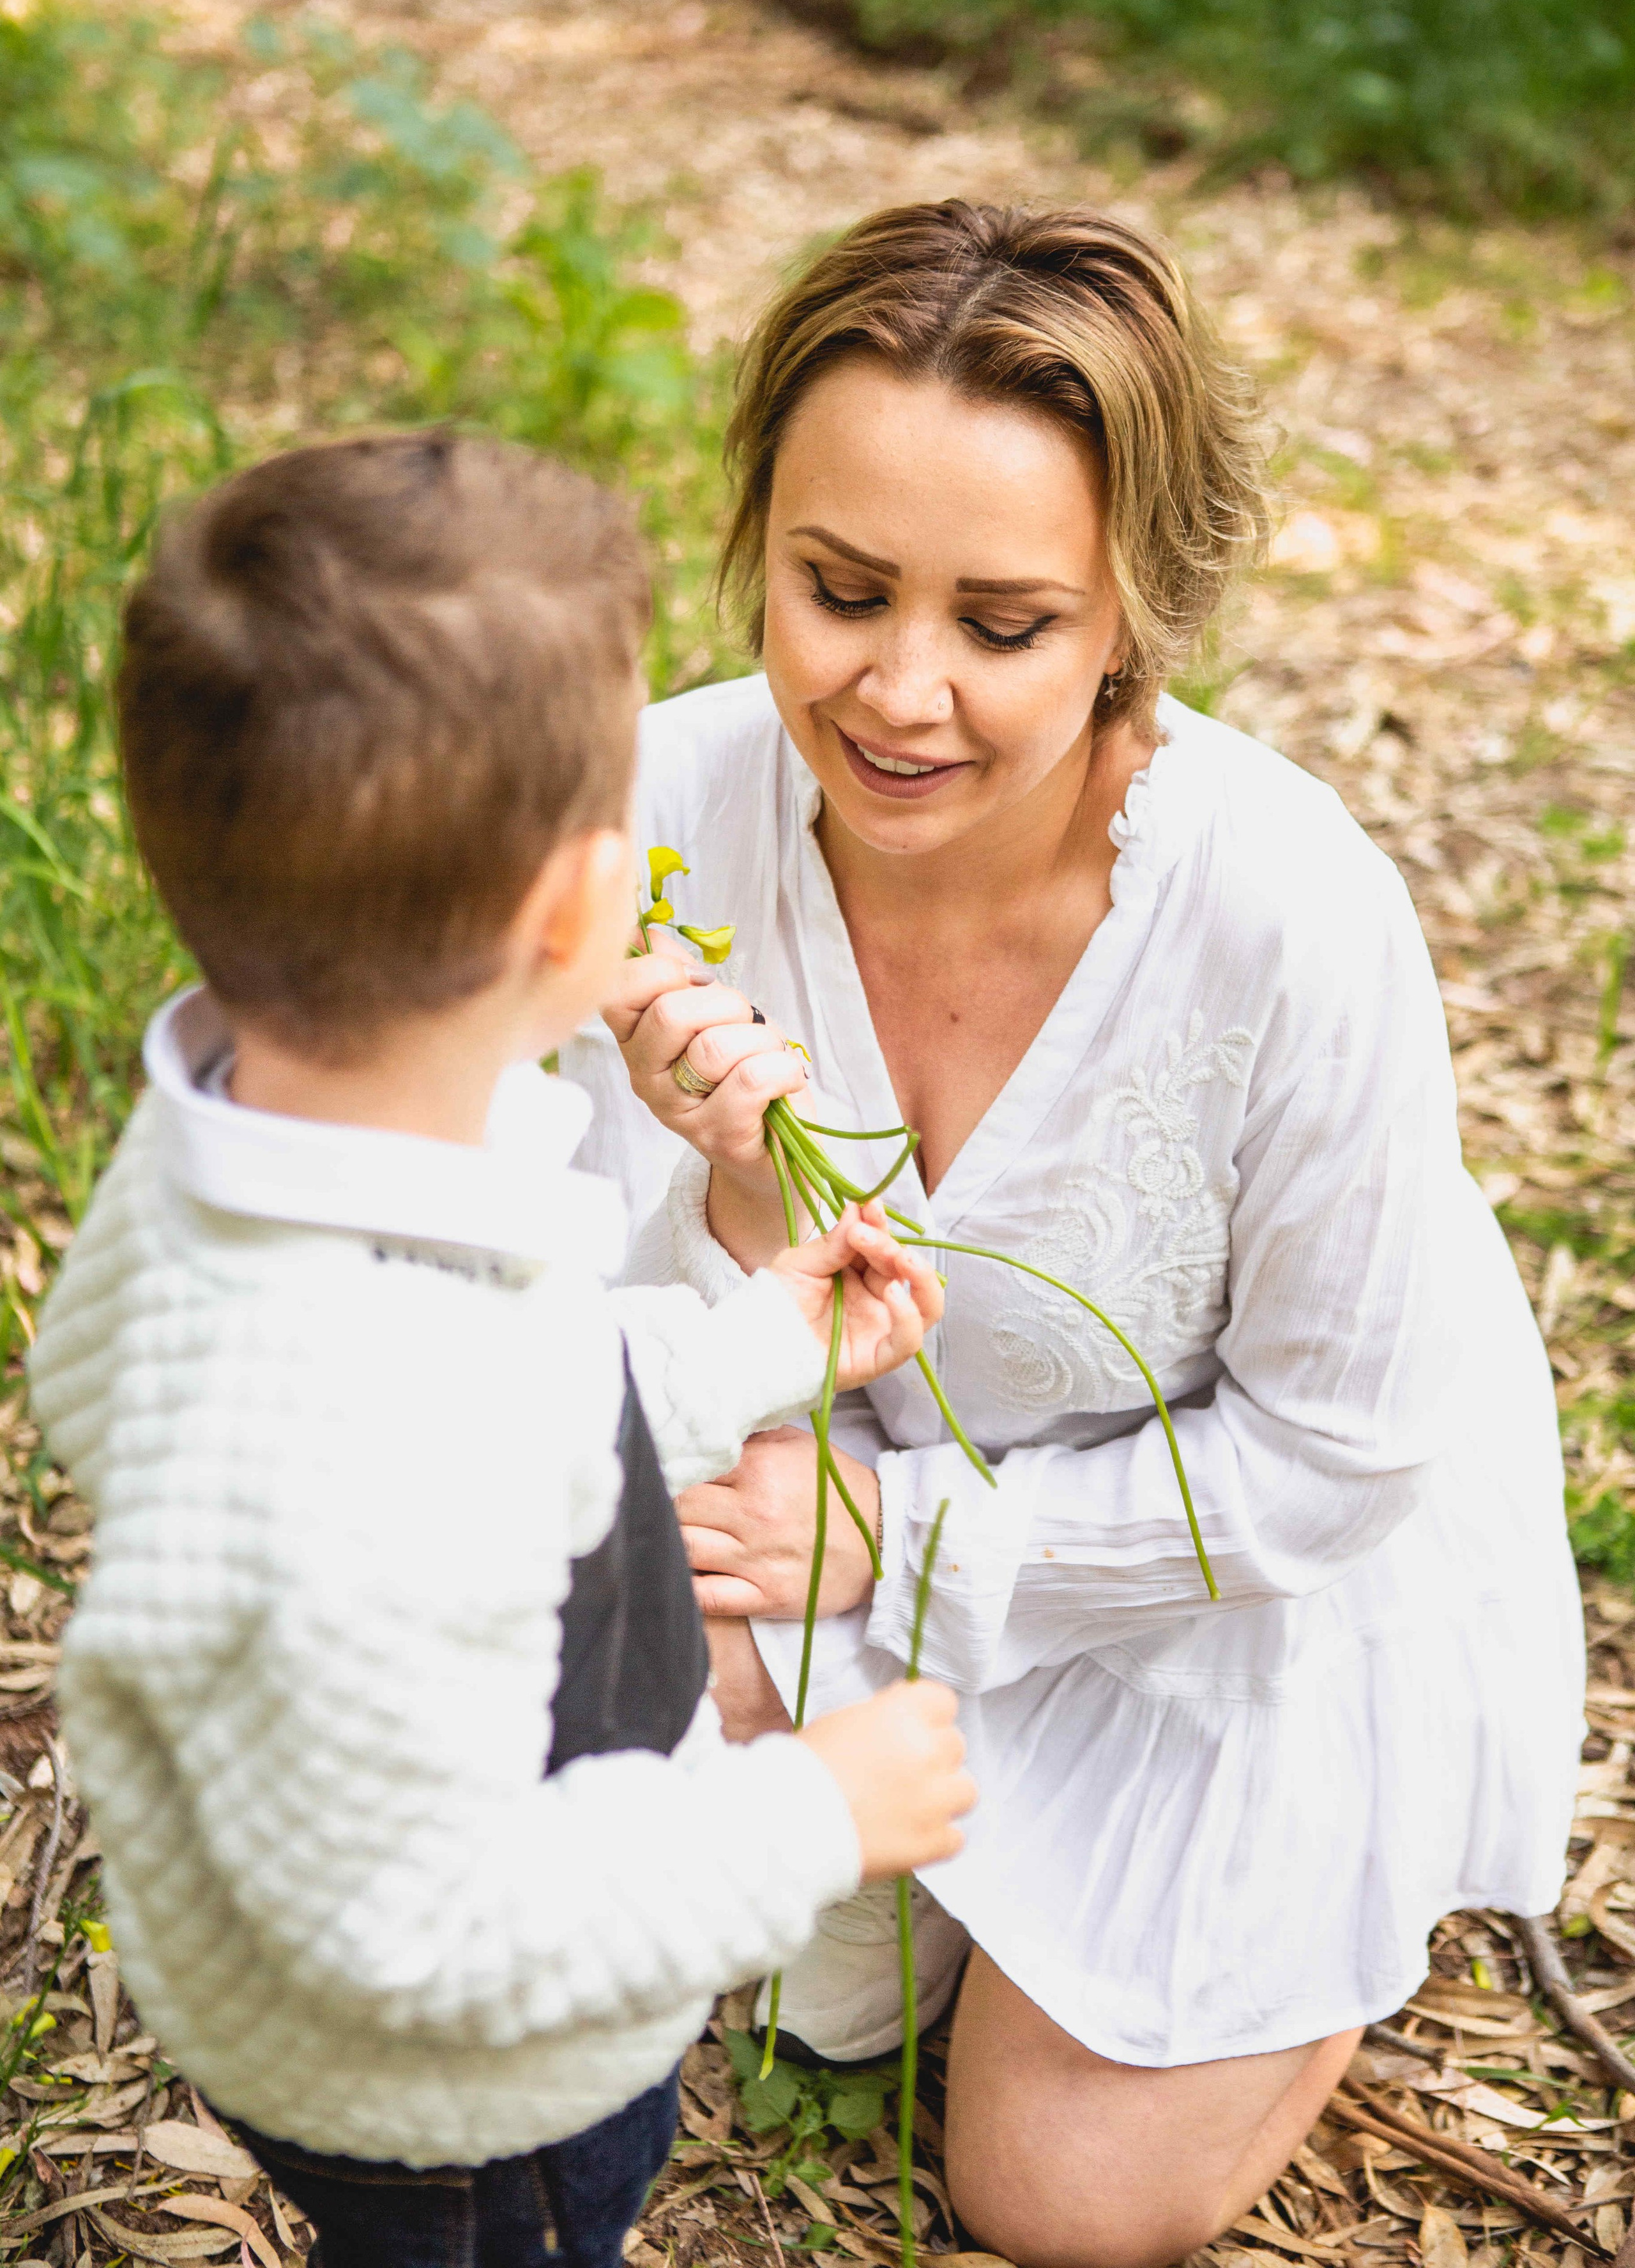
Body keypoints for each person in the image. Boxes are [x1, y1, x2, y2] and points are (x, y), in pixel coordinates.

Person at [563, 201, 1586, 2268]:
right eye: (837, 589)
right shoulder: (666, 803)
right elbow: (565, 1303)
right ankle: (915, 1850)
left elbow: (1341, 1453)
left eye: (1004, 624)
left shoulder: (1289, 912)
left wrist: (909, 1558)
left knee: (1060, 2204)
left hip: (1230, 1576)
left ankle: (1261, 1903)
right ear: (759, 530)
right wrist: (745, 1196)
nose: (899, 692)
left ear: (1137, 613)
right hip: (810, 1474)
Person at [28, 432, 974, 2268]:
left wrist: (749, 1348)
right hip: (461, 2110)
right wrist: (804, 1816)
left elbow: (490, 1424)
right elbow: (426, 1923)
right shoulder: (370, 1404)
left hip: (337, 1948)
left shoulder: (251, 1135)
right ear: (568, 914)